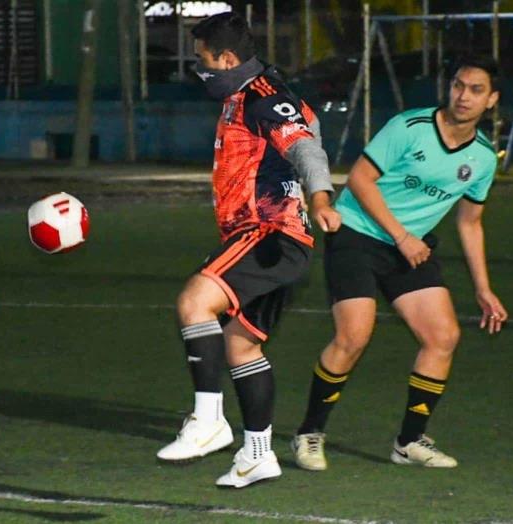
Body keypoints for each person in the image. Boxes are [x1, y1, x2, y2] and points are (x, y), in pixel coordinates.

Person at [291, 55, 508, 471]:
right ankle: (309, 432)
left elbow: (471, 221)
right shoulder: (410, 127)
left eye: (476, 90)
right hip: (356, 233)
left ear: (492, 100)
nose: (463, 96)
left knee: (443, 336)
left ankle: (408, 442)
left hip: (410, 247)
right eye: (459, 85)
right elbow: (358, 179)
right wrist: (402, 235)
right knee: (353, 336)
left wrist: (483, 288)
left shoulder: (483, 158)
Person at [156, 12, 341, 488]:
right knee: (241, 344)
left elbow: (306, 147)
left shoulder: (263, 97)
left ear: (228, 58)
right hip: (281, 245)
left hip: (268, 235)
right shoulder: (252, 93)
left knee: (194, 302)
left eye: (204, 61)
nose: (200, 70)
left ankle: (209, 420)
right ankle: (258, 454)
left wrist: (319, 194)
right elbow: (311, 126)